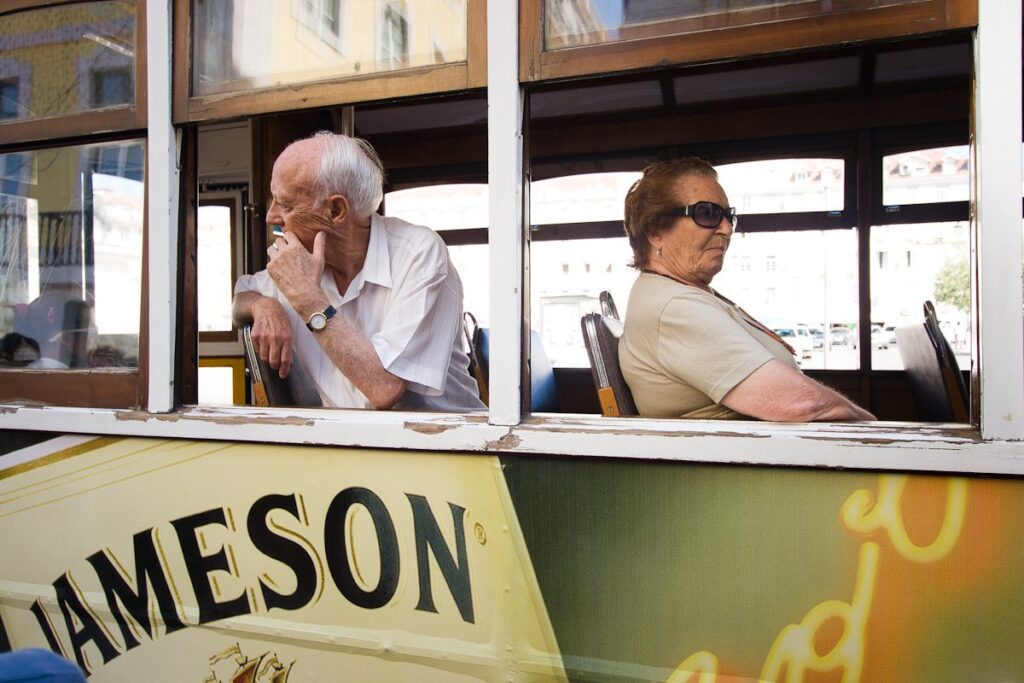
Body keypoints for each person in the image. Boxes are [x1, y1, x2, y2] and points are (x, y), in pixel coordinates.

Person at [232, 132, 484, 411]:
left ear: (336, 210)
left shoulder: (417, 253)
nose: (271, 216)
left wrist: (308, 299)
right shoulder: (297, 263)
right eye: (273, 199)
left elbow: (385, 388)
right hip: (344, 445)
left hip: (446, 443)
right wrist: (262, 306)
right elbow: (242, 294)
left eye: (286, 205)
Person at [618, 158, 875, 421]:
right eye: (707, 213)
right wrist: (872, 426)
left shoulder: (676, 293)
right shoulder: (673, 307)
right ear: (655, 231)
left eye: (729, 216)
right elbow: (802, 404)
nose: (727, 229)